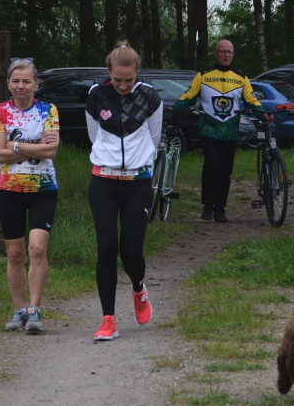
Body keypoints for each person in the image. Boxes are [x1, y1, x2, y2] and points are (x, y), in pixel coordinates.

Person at [85, 44, 162, 341]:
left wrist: (136, 162)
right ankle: (108, 319)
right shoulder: (96, 95)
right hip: (103, 181)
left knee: (130, 250)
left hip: (137, 182)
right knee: (106, 247)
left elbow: (154, 138)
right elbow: (94, 136)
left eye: (128, 80)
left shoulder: (149, 97)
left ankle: (138, 287)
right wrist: (110, 162)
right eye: (118, 80)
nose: (123, 86)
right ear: (109, 73)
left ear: (137, 74)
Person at [0, 57, 60, 334]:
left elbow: (51, 151)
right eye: (16, 81)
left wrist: (14, 146)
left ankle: (34, 310)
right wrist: (33, 146)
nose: (21, 86)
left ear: (36, 84)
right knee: (15, 253)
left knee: (37, 249)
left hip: (43, 189)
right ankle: (18, 310)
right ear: (8, 83)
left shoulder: (48, 110)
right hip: (8, 189)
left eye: (26, 81)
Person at [172, 39, 264, 223]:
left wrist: (262, 113)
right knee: (212, 164)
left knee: (226, 170)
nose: (226, 55)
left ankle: (220, 209)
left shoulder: (241, 77)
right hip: (209, 130)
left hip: (230, 131)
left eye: (229, 52)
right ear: (215, 54)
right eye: (222, 51)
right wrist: (175, 108)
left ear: (233, 54)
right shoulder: (203, 75)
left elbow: (251, 100)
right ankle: (207, 205)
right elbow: (188, 97)